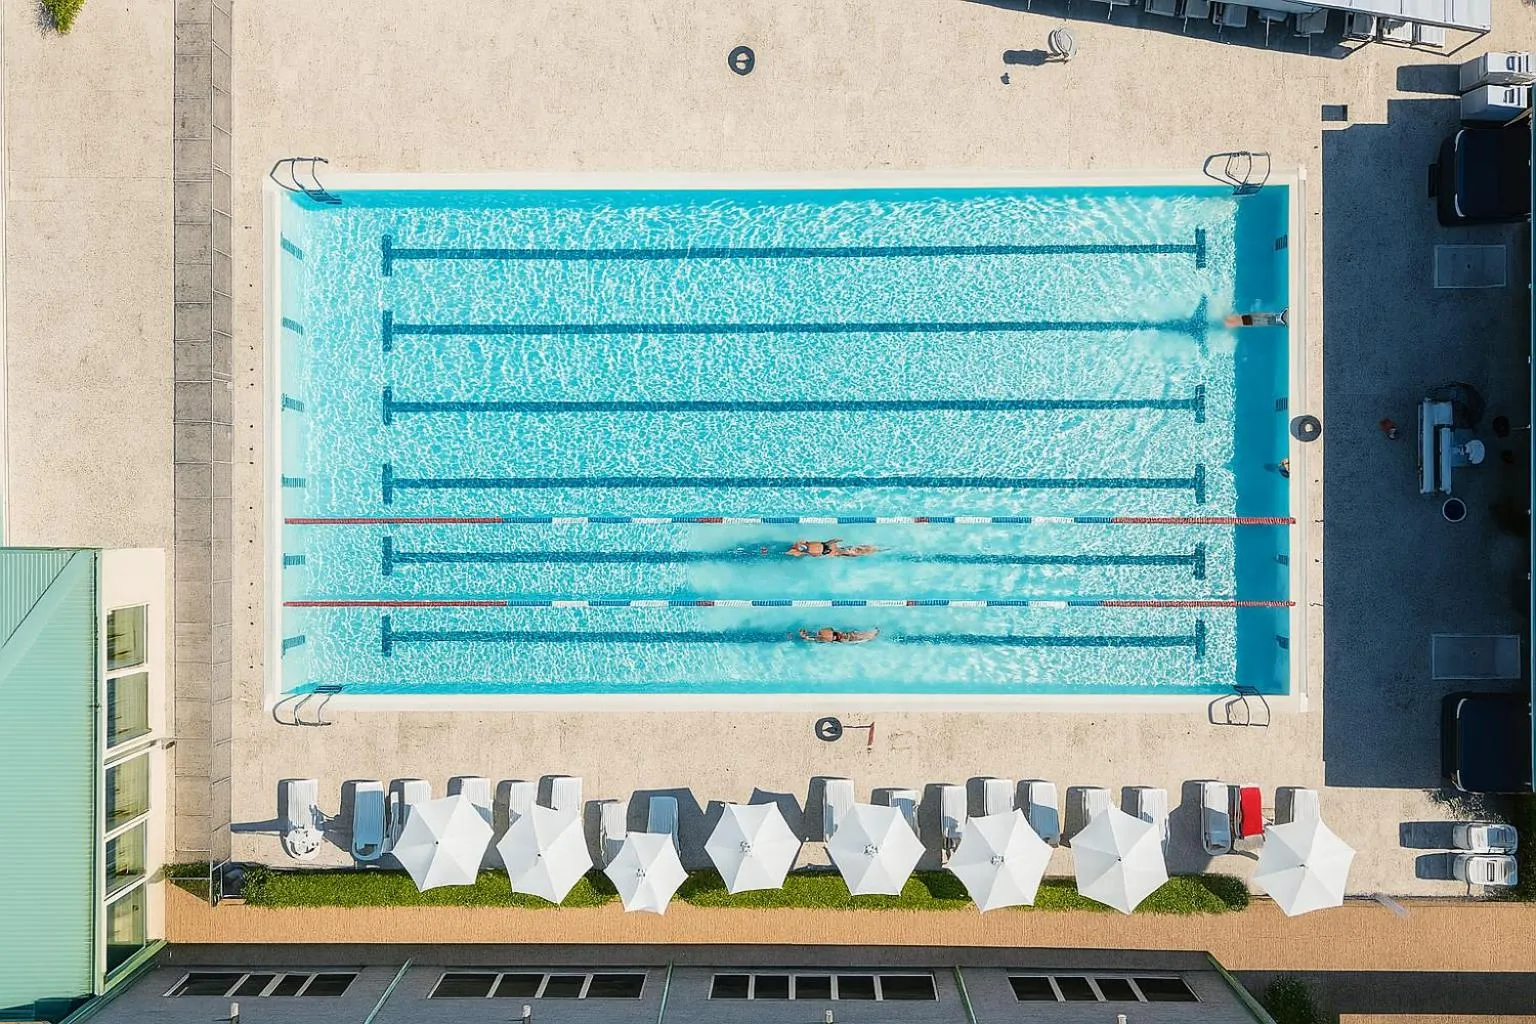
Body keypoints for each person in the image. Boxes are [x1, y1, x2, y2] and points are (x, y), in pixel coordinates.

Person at [799, 627, 879, 644]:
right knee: (855, 637)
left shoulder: (821, 632)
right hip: (840, 639)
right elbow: (814, 639)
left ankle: (871, 634)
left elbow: (831, 629)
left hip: (838, 637)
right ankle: (871, 635)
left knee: (854, 634)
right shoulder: (820, 638)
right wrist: (806, 637)